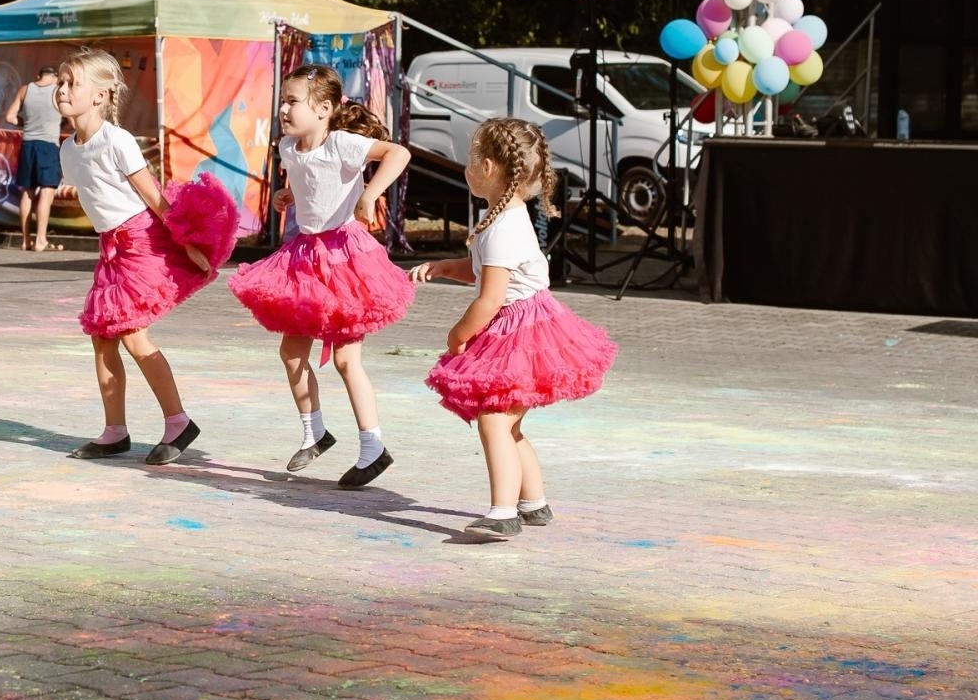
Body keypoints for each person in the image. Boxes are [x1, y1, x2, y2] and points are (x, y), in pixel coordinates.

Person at [409, 117, 617, 540]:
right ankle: (534, 504)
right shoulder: (503, 215)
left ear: (487, 168)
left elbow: (490, 298)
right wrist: (446, 268)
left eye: (470, 159)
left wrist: (458, 335)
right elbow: (483, 272)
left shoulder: (503, 226)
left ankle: (503, 513)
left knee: (493, 420)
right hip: (525, 324)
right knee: (509, 422)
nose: (466, 166)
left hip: (521, 331)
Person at [228, 64, 414, 488]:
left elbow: (398, 153)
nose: (283, 109)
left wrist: (370, 192)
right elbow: (311, 182)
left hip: (346, 261)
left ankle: (373, 446)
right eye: (283, 101)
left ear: (324, 108)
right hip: (304, 260)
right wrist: (289, 193)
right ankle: (316, 432)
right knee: (291, 354)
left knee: (348, 360)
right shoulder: (289, 149)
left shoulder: (343, 144)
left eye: (293, 101)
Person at [55, 47, 238, 465]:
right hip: (111, 248)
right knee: (102, 340)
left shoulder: (116, 140)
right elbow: (92, 189)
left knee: (133, 335)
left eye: (72, 83)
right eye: (61, 83)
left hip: (141, 244)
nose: (62, 90)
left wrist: (187, 241)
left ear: (100, 96)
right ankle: (114, 432)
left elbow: (153, 197)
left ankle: (178, 422)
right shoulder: (69, 148)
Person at [6, 64, 64, 251]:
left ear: (38, 75)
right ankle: (41, 240)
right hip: (48, 146)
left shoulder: (25, 89)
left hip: (28, 144)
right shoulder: (58, 91)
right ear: (55, 77)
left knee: (27, 192)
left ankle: (25, 240)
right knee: (46, 193)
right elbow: (71, 118)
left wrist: (24, 123)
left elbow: (10, 117)